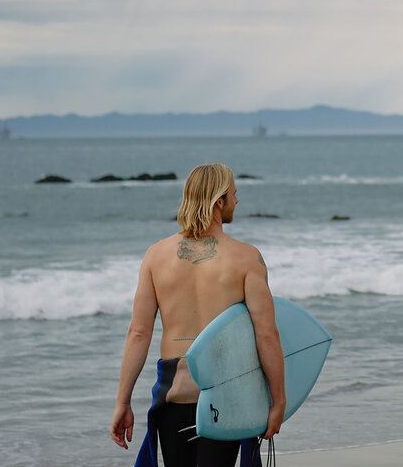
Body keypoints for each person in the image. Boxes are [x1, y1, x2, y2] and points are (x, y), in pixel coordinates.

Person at [110, 163, 286, 467]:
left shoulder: (156, 255)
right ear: (219, 201)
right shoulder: (247, 258)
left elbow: (139, 333)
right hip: (225, 392)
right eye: (234, 193)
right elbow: (266, 334)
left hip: (173, 393)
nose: (237, 201)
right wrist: (279, 399)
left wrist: (122, 402)